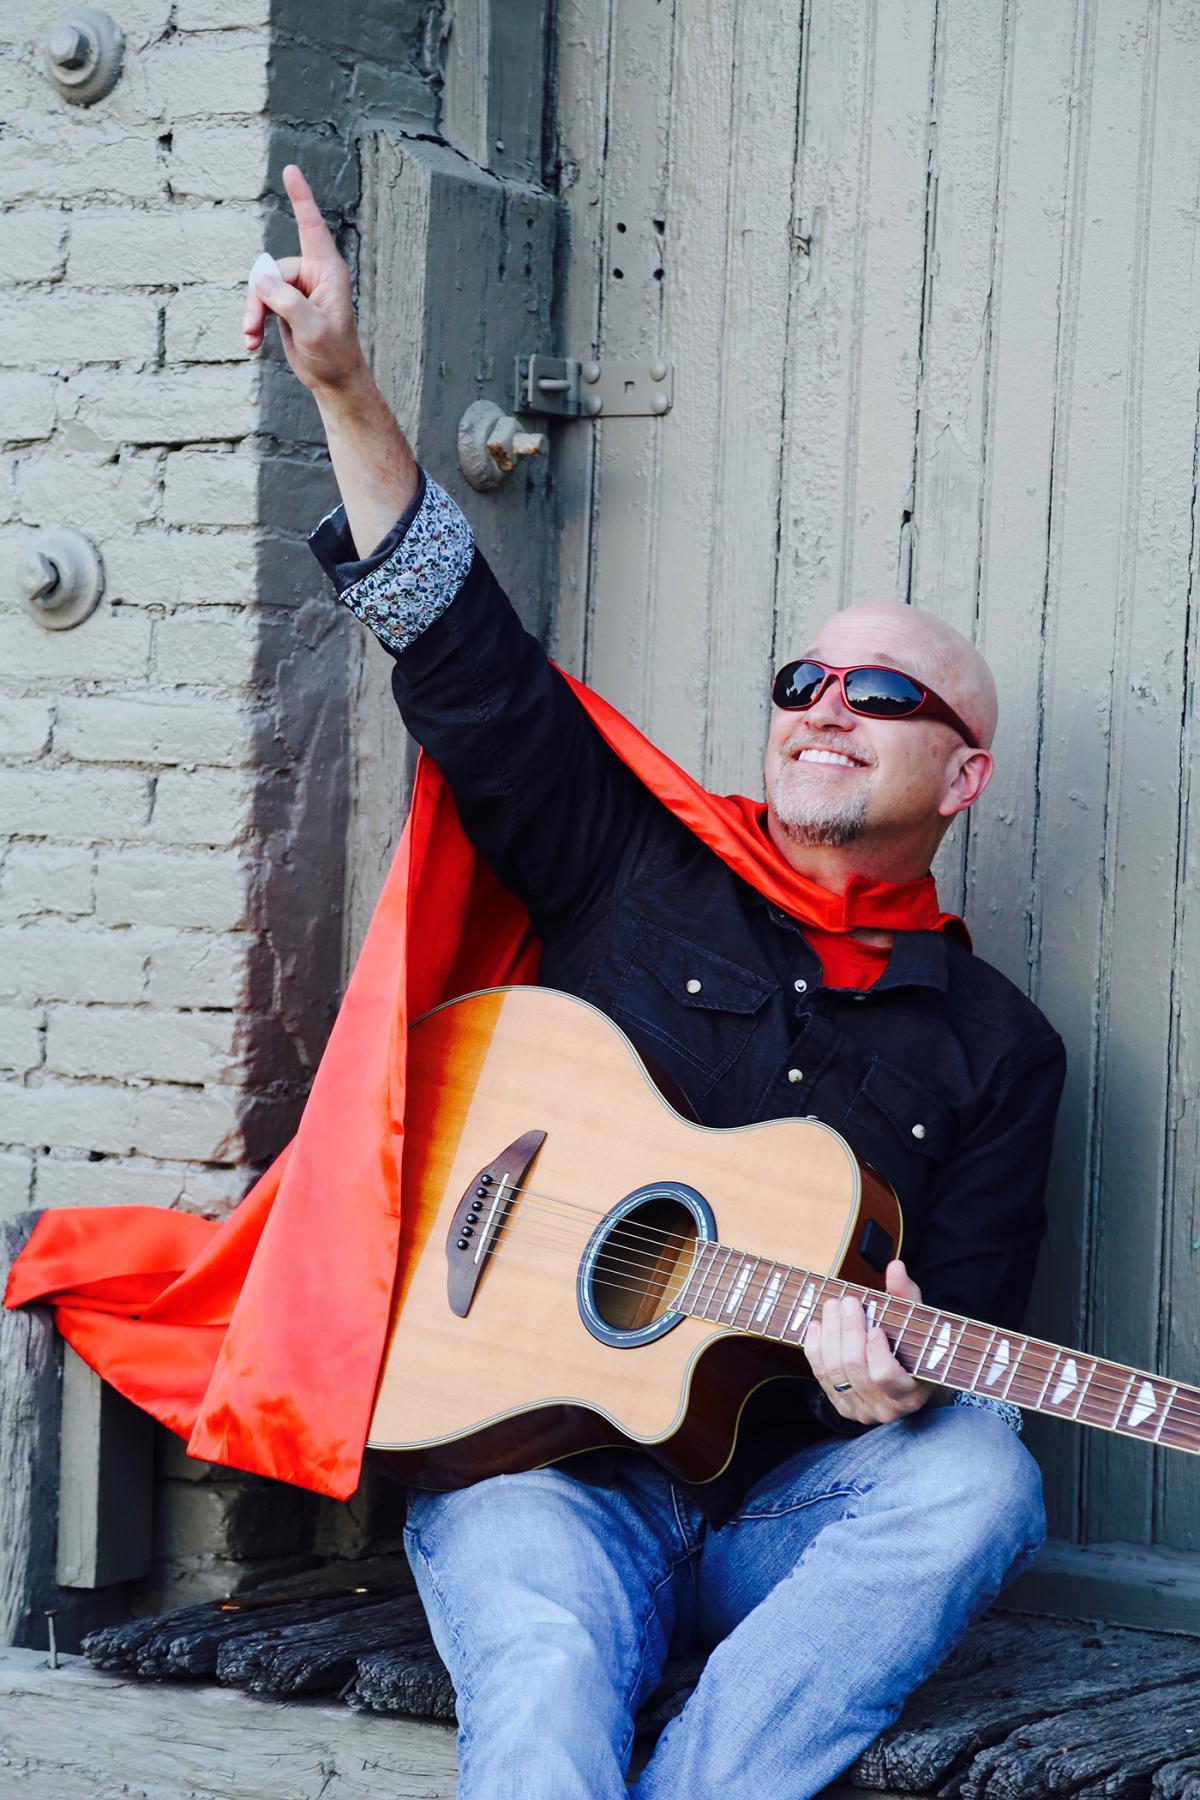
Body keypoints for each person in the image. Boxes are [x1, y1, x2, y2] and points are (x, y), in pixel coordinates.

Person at [243, 165, 1066, 1800]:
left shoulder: (999, 1049)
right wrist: (345, 386)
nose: (827, 706)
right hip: (534, 1465)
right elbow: (462, 662)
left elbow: (957, 1333)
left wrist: (891, 1372)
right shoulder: (640, 862)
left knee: (984, 1469)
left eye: (884, 691)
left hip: (781, 1519)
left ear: (961, 778)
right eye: (805, 678)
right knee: (545, 1670)